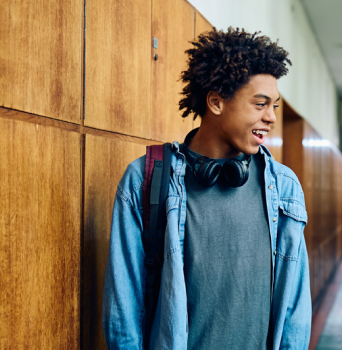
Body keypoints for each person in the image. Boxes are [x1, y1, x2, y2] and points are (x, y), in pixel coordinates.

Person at [103, 28, 311, 349]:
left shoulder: (284, 188)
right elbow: (123, 307)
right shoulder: (146, 179)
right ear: (216, 101)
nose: (270, 117)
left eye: (274, 106)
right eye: (260, 104)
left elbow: (295, 307)